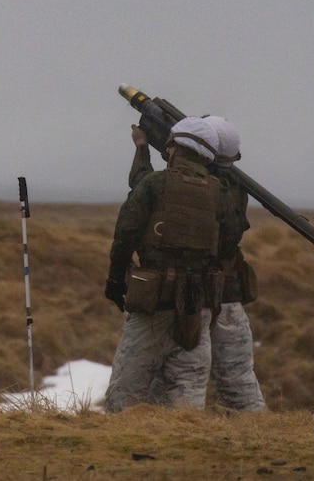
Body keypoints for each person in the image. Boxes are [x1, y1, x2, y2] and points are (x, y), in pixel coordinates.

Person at [129, 116, 266, 411]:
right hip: (224, 296)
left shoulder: (200, 189)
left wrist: (142, 148)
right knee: (237, 383)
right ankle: (257, 436)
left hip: (189, 299)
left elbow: (143, 187)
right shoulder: (232, 189)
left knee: (167, 381)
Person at [103, 117, 225, 413]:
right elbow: (227, 239)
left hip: (152, 304)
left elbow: (125, 234)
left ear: (173, 149)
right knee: (188, 394)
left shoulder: (155, 184)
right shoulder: (218, 191)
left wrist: (116, 281)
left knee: (125, 395)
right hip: (197, 306)